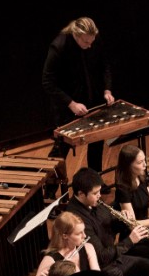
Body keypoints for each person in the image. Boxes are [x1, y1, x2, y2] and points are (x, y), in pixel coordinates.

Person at [65, 167, 149, 276]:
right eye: (95, 193)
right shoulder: (77, 219)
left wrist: (124, 221)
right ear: (80, 194)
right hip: (102, 268)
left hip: (115, 258)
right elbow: (102, 257)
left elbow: (110, 225)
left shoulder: (96, 203)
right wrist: (130, 241)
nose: (100, 196)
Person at [41, 16, 114, 171]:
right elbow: (48, 82)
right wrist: (71, 103)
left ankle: (95, 181)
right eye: (86, 42)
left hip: (92, 98)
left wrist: (107, 90)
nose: (90, 46)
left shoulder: (93, 39)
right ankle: (50, 188)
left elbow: (105, 65)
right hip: (67, 105)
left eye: (92, 42)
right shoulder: (59, 46)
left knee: (97, 141)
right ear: (77, 36)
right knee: (62, 147)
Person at [24, 213, 98, 276]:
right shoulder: (50, 259)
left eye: (84, 231)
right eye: (79, 234)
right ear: (65, 236)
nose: (84, 236)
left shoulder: (88, 247)